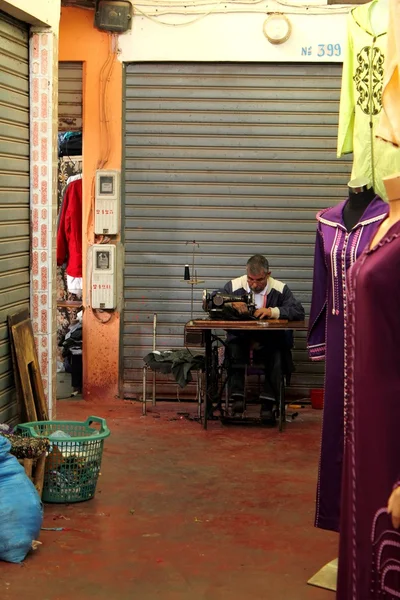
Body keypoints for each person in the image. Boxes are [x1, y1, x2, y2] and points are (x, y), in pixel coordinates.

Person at [223, 254, 305, 420]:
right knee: (232, 348)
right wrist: (230, 302)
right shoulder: (234, 286)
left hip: (269, 341)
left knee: (276, 352)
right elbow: (214, 301)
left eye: (259, 280)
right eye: (250, 279)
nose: (254, 284)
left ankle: (268, 402)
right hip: (241, 339)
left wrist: (273, 311)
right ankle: (237, 398)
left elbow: (298, 311)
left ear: (268, 274)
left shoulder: (280, 289)